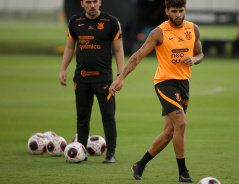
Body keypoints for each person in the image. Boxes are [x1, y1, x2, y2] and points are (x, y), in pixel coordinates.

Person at [109, 0, 203, 182]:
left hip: (183, 83)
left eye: (180, 11)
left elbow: (200, 53)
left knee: (170, 132)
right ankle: (183, 172)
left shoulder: (193, 29)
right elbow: (138, 55)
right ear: (166, 11)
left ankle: (140, 164)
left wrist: (195, 59)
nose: (177, 15)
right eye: (173, 11)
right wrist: (120, 78)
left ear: (185, 10)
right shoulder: (159, 32)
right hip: (165, 83)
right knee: (181, 124)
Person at [59, 0, 124, 163]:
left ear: (100, 2)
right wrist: (62, 70)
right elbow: (69, 48)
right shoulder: (75, 21)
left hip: (104, 80)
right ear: (82, 4)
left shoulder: (111, 22)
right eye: (88, 2)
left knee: (108, 116)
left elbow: (118, 50)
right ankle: (81, 150)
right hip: (81, 79)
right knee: (82, 117)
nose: (92, 5)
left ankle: (111, 153)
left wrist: (120, 76)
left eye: (95, 1)